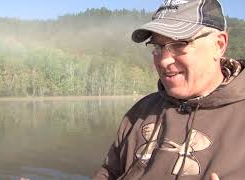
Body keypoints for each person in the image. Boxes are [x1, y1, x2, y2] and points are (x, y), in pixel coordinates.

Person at [93, 0, 245, 180]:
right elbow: (108, 173)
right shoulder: (139, 112)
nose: (164, 61)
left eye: (180, 44)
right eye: (158, 46)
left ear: (218, 45)